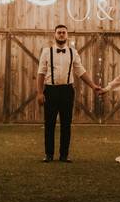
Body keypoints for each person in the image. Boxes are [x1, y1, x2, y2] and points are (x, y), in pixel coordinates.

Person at [36, 24, 101, 162]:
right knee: (49, 124)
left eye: (63, 32)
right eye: (59, 32)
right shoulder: (47, 52)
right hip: (50, 90)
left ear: (67, 35)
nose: (61, 34)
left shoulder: (73, 52)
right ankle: (49, 154)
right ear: (54, 35)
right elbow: (41, 73)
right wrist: (40, 93)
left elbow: (81, 71)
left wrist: (93, 86)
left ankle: (64, 155)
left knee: (66, 124)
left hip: (67, 91)